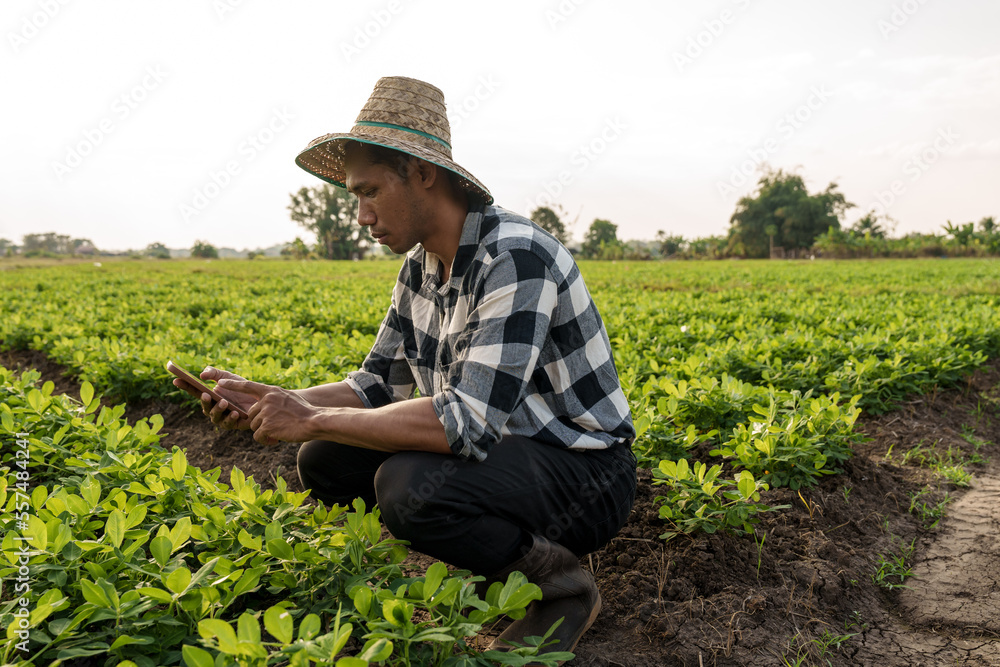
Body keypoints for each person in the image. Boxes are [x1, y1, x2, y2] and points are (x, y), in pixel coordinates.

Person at [173, 76, 636, 655]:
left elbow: (464, 422)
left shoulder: (515, 257)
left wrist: (309, 417)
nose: (361, 216)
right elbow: (374, 386)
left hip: (584, 474)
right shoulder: (420, 266)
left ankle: (561, 589)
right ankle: (492, 565)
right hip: (510, 457)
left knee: (408, 485)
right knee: (324, 459)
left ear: (421, 173)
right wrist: (275, 399)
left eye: (369, 192)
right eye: (355, 197)